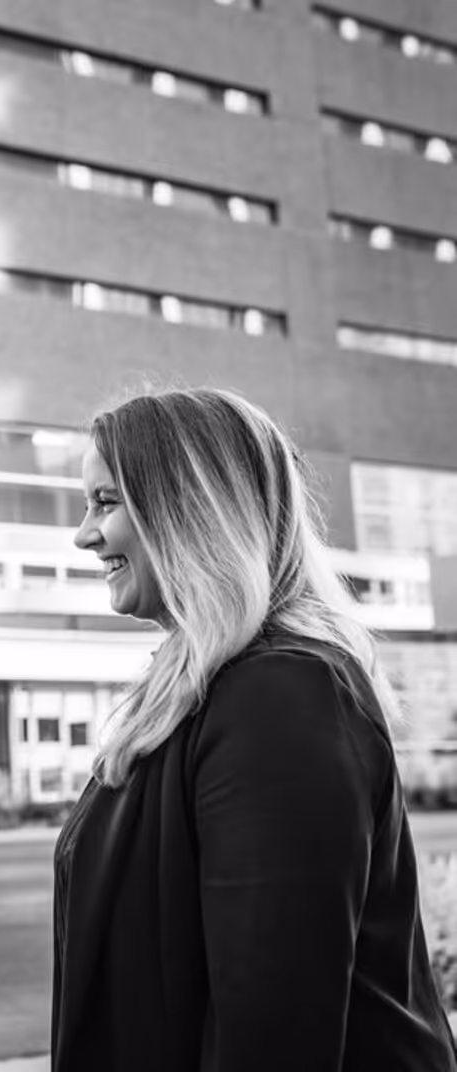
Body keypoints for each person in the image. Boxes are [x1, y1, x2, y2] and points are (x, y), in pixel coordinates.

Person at [54, 386, 457, 1071]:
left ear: (190, 511)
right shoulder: (208, 689)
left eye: (106, 502)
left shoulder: (279, 697)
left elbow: (273, 1032)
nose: (84, 534)